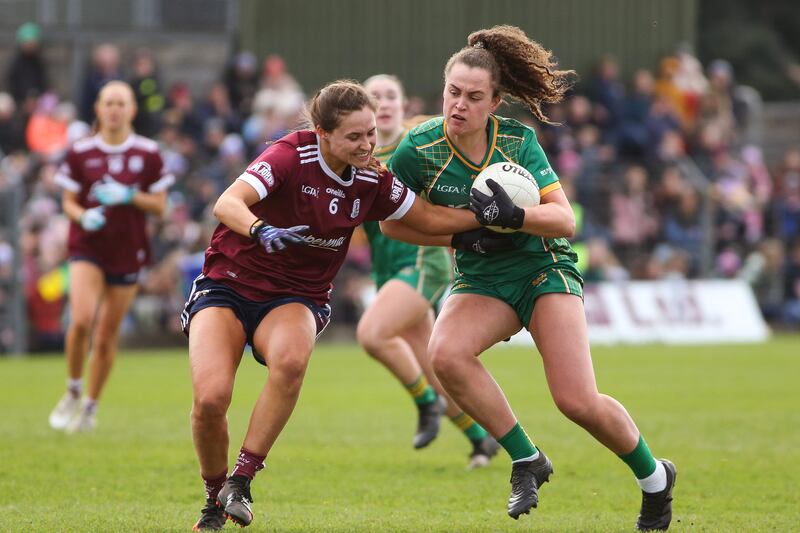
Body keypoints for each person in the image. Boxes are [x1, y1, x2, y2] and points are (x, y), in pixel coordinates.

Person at [381, 26, 676, 531]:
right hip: (482, 276)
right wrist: (462, 237)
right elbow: (392, 223)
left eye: (474, 97)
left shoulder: (518, 141)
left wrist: (514, 217)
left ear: (495, 102)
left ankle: (655, 480)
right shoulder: (417, 148)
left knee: (576, 401)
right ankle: (527, 459)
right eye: (453, 92)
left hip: (544, 268)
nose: (459, 105)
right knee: (445, 354)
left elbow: (565, 221)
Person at [181, 80, 496, 531]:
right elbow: (227, 202)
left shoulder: (372, 179)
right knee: (211, 399)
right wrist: (258, 230)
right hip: (228, 284)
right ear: (323, 133)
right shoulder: (291, 156)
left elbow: (426, 219)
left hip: (297, 295)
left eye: (370, 134)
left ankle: (244, 479)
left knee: (290, 363)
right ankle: (214, 501)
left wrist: (486, 224)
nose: (368, 144)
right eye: (355, 136)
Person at [357, 74, 502, 467]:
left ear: (405, 105)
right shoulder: (356, 156)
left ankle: (425, 405)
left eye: (391, 95)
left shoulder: (418, 145)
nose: (383, 102)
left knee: (371, 334)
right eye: (374, 97)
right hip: (388, 268)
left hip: (422, 260)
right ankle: (482, 439)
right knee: (433, 367)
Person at [48, 81, 173, 432]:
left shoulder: (148, 153)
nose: (114, 109)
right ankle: (73, 389)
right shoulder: (80, 152)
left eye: (121, 103)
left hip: (127, 250)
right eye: (108, 103)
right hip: (88, 246)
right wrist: (81, 215)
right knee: (82, 319)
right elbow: (68, 200)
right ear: (98, 109)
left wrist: (129, 195)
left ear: (132, 110)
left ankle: (90, 406)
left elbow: (160, 205)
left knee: (105, 337)